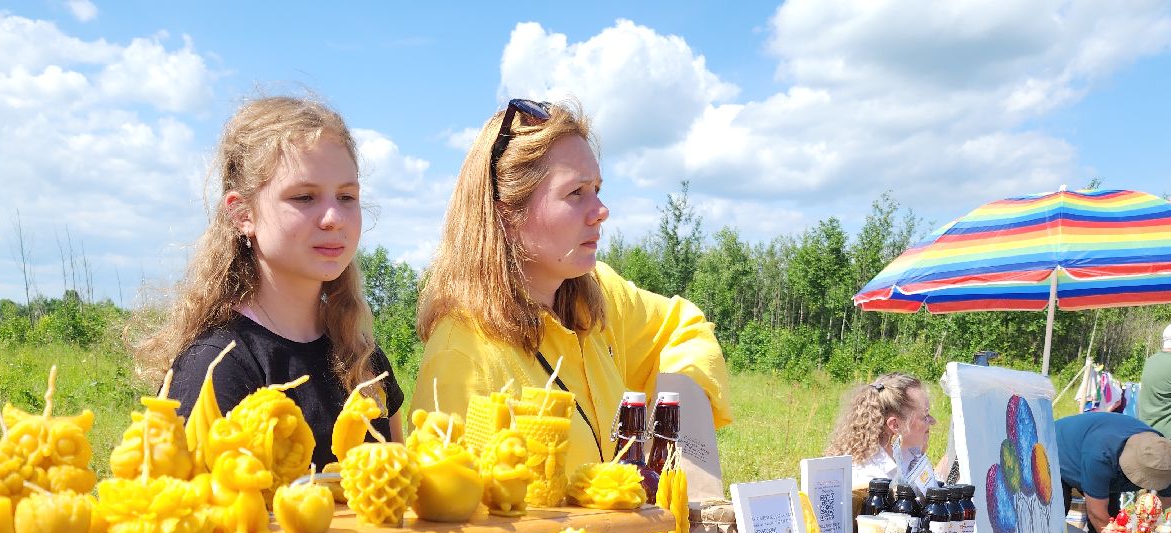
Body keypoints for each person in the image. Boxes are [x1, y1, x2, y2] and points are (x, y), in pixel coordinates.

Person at [415, 99, 731, 464]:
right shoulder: (463, 359)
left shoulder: (598, 296)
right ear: (507, 213)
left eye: (597, 189)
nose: (601, 211)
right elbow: (456, 509)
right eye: (575, 193)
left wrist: (679, 425)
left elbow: (683, 327)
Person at [136, 95, 404, 465]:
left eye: (346, 196)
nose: (333, 218)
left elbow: (401, 500)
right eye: (304, 197)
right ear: (243, 213)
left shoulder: (362, 357)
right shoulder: (217, 367)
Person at [1054, 411, 1171, 533]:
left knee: (1112, 518)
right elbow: (1097, 513)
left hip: (1099, 453)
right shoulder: (1101, 455)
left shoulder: (1165, 458)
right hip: (1057, 449)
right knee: (1053, 521)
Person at [825, 373, 940, 491]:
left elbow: (935, 487)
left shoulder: (903, 456)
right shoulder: (871, 481)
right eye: (925, 416)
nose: (933, 421)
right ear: (895, 425)